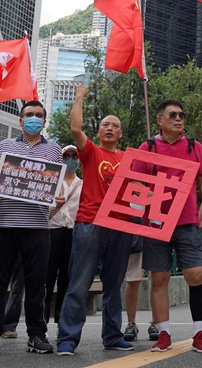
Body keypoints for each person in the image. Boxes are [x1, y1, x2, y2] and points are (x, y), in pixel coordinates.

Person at [0, 100, 64, 356]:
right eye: (29, 114)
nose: (34, 118)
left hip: (37, 226)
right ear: (20, 120)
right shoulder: (5, 146)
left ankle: (36, 335)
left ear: (44, 122)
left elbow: (53, 186)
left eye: (39, 115)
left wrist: (55, 199)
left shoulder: (54, 150)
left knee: (36, 285)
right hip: (3, 225)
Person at [55, 85, 139, 354]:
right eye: (106, 125)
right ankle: (68, 338)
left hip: (121, 225)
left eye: (115, 125)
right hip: (90, 222)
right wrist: (79, 96)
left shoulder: (128, 158)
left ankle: (113, 336)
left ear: (121, 133)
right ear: (100, 131)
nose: (111, 128)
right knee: (79, 283)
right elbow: (76, 129)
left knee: (114, 285)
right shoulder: (90, 152)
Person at [139, 99, 202, 353]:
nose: (179, 119)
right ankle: (164, 333)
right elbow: (134, 185)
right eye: (173, 115)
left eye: (182, 114)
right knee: (158, 278)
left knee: (196, 276)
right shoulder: (147, 147)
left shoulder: (194, 147)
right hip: (155, 223)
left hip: (187, 222)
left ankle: (200, 333)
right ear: (160, 120)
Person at [45, 145, 81, 325]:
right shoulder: (50, 181)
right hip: (52, 231)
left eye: (75, 156)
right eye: (66, 155)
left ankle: (62, 321)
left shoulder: (83, 184)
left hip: (72, 233)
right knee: (47, 278)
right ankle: (41, 323)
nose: (71, 159)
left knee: (67, 278)